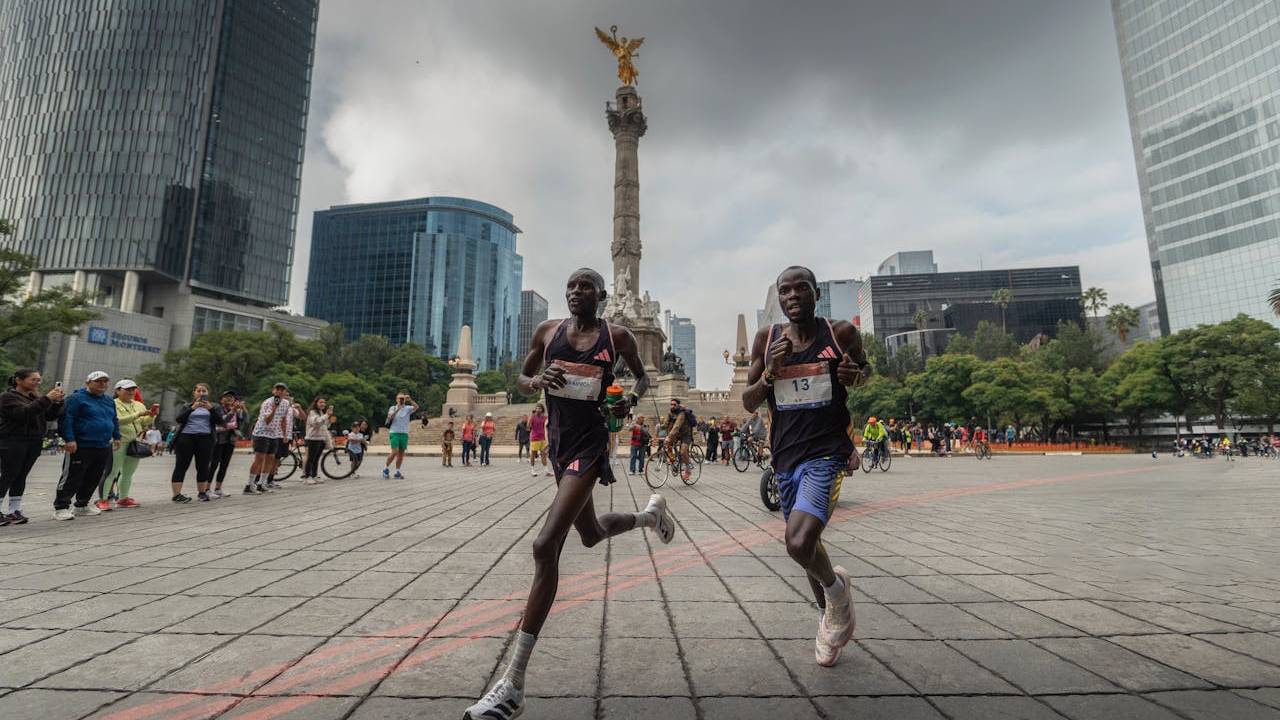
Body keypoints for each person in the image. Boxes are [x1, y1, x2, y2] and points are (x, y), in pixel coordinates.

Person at [465, 268, 675, 720]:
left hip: (591, 445)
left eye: (586, 286)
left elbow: (642, 380)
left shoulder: (618, 336)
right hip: (558, 446)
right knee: (592, 533)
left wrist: (629, 401)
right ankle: (649, 516)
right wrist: (537, 383)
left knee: (545, 546)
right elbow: (521, 379)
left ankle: (513, 684)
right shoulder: (548, 332)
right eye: (571, 286)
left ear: (602, 295)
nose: (577, 291)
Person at [743, 265, 869, 668]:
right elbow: (749, 400)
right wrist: (769, 372)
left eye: (801, 288)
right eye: (785, 290)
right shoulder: (767, 340)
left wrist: (855, 375)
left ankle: (835, 596)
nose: (793, 295)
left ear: (816, 293)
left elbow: (864, 371)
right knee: (807, 546)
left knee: (798, 542)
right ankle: (827, 618)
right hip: (785, 456)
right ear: (779, 298)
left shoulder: (839, 334)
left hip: (827, 453)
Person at [0, 369, 64, 525]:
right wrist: (46, 399)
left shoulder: (36, 397)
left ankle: (14, 510)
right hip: (13, 440)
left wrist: (56, 403)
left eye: (38, 380)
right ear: (18, 380)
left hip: (34, 440)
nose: (37, 383)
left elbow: (49, 416)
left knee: (21, 475)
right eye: (33, 379)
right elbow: (23, 413)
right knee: (9, 474)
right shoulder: (7, 397)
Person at [54, 370, 121, 520]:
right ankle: (61, 507)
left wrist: (117, 436)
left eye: (105, 381)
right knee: (72, 476)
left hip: (103, 445)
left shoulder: (109, 400)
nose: (102, 384)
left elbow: (114, 419)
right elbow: (67, 419)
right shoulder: (76, 399)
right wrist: (69, 439)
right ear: (88, 382)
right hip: (81, 445)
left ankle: (82, 505)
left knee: (93, 477)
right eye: (98, 381)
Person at [99, 379, 157, 510]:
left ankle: (123, 498)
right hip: (117, 442)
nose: (131, 392)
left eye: (133, 389)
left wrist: (152, 415)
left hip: (133, 442)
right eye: (127, 389)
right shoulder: (112, 404)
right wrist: (137, 415)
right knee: (111, 472)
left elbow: (143, 423)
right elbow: (117, 421)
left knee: (128, 473)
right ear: (118, 391)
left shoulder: (138, 404)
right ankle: (102, 500)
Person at [172, 383, 224, 502]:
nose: (201, 393)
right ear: (194, 393)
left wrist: (210, 409)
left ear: (208, 393)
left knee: (203, 466)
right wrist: (192, 408)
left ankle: (202, 492)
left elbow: (220, 421)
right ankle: (176, 494)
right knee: (181, 465)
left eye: (204, 391)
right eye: (198, 391)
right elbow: (179, 419)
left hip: (205, 438)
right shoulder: (187, 405)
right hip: (186, 438)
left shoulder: (214, 407)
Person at [247, 383, 291, 495]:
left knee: (271, 458)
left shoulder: (286, 403)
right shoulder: (268, 403)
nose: (279, 392)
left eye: (282, 390)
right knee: (260, 458)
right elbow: (267, 420)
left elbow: (284, 419)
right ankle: (249, 485)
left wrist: (285, 434)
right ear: (273, 391)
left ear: (285, 392)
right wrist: (274, 409)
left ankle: (262, 483)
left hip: (275, 434)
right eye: (277, 389)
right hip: (262, 432)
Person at [210, 392, 246, 498]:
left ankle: (218, 488)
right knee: (214, 464)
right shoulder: (217, 409)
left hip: (230, 440)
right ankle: (207, 489)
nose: (229, 399)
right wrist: (232, 413)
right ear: (221, 400)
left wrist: (243, 409)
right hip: (218, 439)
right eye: (226, 397)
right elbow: (221, 422)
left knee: (224, 465)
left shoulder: (235, 411)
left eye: (231, 397)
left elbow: (245, 420)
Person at [383, 393, 417, 479]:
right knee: (394, 451)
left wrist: (410, 400)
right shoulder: (393, 408)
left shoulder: (407, 408)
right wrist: (398, 409)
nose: (401, 400)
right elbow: (390, 417)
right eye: (399, 398)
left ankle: (397, 471)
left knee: (401, 454)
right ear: (396, 399)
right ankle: (386, 468)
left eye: (402, 398)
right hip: (394, 432)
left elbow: (416, 407)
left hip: (404, 433)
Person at [663, 398, 696, 481]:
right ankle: (674, 459)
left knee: (683, 451)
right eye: (671, 404)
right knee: (667, 444)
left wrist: (669, 436)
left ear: (678, 405)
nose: (672, 406)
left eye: (674, 404)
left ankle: (688, 468)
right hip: (677, 434)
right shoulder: (670, 413)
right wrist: (661, 426)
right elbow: (666, 424)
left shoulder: (682, 413)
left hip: (686, 434)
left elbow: (676, 426)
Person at [302, 396, 333, 485]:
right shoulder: (312, 412)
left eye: (324, 402)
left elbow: (325, 426)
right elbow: (316, 423)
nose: (323, 404)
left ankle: (314, 475)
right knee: (311, 458)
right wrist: (326, 415)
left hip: (320, 438)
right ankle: (307, 476)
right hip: (312, 438)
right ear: (316, 403)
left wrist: (329, 419)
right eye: (320, 402)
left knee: (316, 459)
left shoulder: (321, 412)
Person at [528, 404, 549, 476]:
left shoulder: (545, 418)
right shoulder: (533, 417)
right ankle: (532, 470)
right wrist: (531, 417)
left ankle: (546, 470)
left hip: (543, 438)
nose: (538, 409)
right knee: (533, 454)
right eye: (537, 408)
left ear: (542, 410)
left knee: (543, 454)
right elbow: (528, 427)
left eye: (539, 408)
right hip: (535, 438)